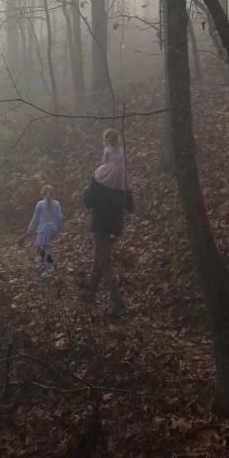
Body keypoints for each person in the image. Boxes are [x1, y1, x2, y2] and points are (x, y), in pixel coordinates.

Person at [83, 129, 133, 317]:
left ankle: (117, 302)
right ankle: (90, 293)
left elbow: (88, 202)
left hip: (100, 225)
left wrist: (88, 195)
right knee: (100, 257)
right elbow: (130, 205)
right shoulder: (123, 176)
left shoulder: (100, 174)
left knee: (105, 262)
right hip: (115, 226)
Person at [27, 185, 63, 277]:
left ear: (42, 194)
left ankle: (49, 270)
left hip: (43, 229)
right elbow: (59, 218)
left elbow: (35, 218)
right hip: (52, 229)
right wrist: (58, 228)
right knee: (43, 247)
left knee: (47, 249)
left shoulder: (40, 204)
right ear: (53, 193)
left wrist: (30, 229)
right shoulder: (57, 204)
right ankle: (43, 262)